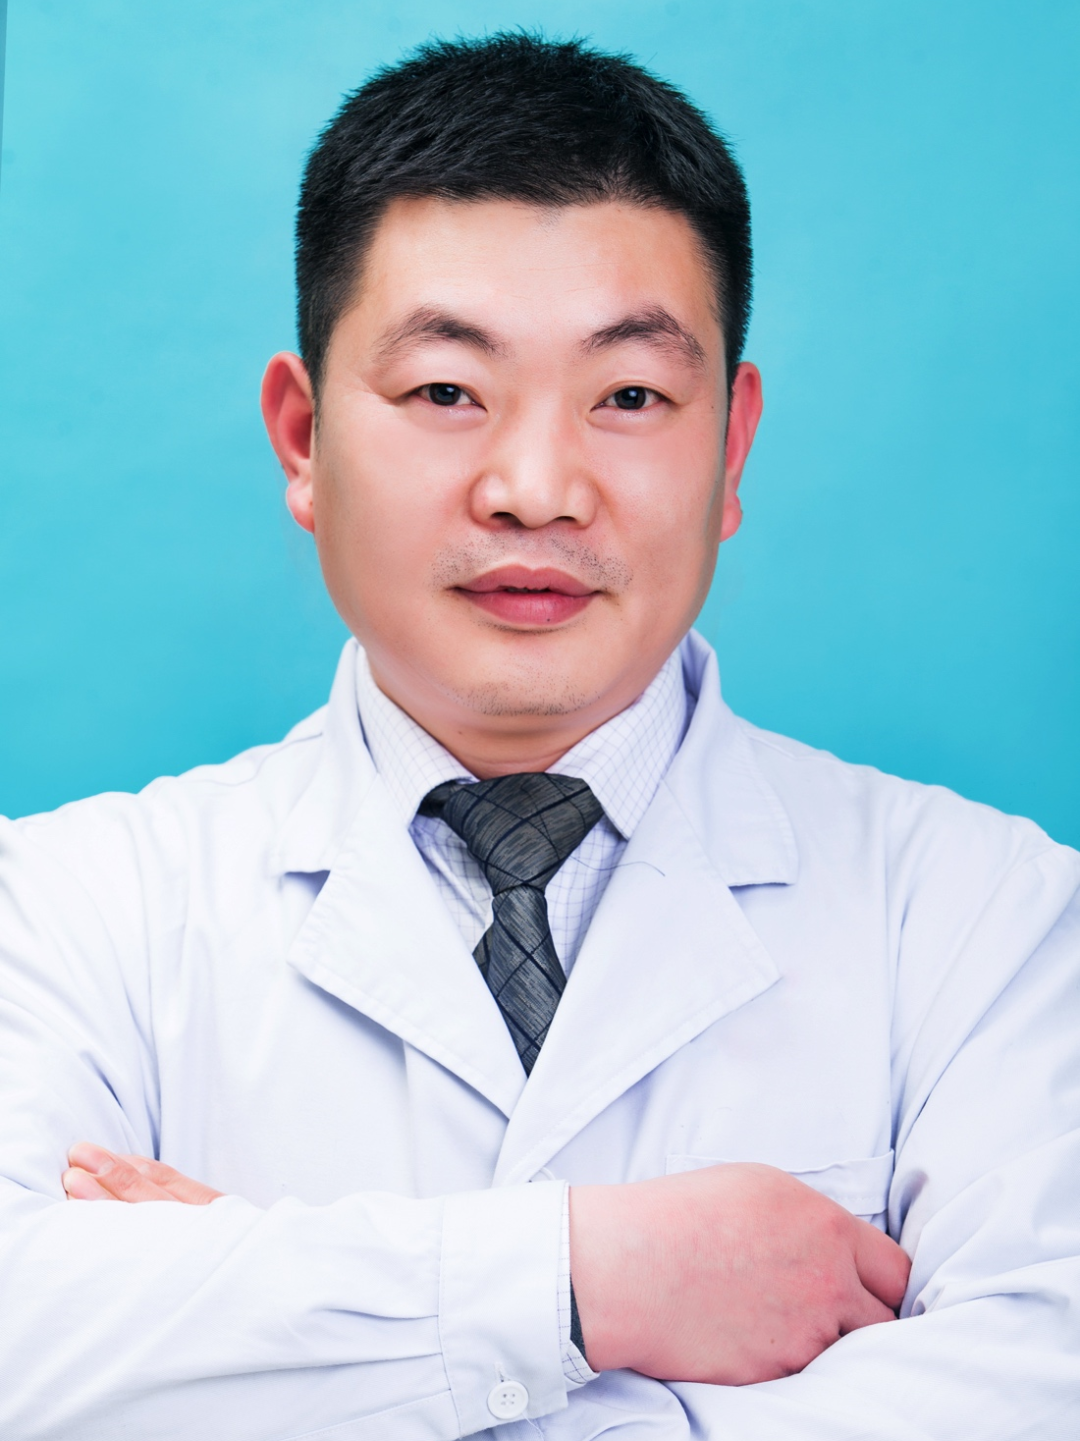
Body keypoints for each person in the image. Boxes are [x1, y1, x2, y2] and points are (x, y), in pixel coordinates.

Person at [0, 31, 1077, 1441]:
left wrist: (263, 1348)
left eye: (628, 396)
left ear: (731, 446)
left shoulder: (995, 922)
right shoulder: (59, 913)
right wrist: (586, 1281)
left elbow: (1046, 1379)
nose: (535, 487)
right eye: (447, 391)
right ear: (303, 439)